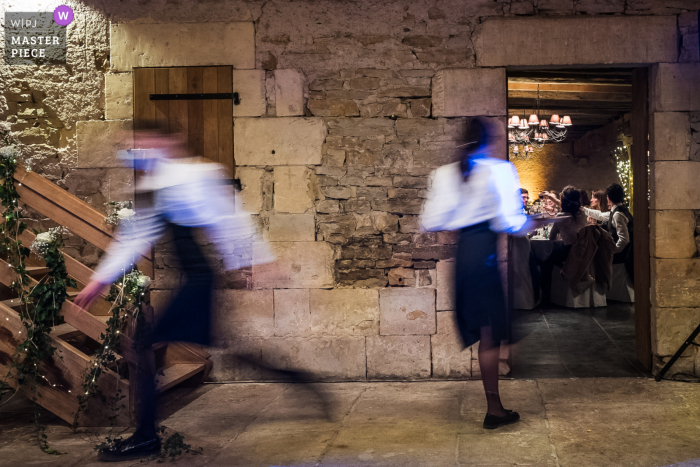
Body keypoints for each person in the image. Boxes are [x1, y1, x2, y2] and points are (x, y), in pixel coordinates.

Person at [75, 128, 272, 462]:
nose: (132, 151)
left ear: (163, 142)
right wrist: (99, 281)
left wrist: (260, 260)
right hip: (194, 280)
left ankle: (145, 437)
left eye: (137, 143)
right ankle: (294, 378)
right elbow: (136, 238)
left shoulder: (197, 175)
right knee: (221, 345)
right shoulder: (155, 185)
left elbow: (230, 220)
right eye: (129, 146)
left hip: (199, 280)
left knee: (145, 344)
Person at [420, 117, 557, 430]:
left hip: (464, 258)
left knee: (489, 333)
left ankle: (494, 405)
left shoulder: (445, 174)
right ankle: (494, 409)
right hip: (485, 257)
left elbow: (431, 220)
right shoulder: (499, 171)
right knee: (492, 336)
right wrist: (540, 223)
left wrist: (462, 216)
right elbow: (511, 223)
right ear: (488, 141)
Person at [540, 187, 587, 303]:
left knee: (544, 261)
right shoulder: (582, 213)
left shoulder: (561, 217)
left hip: (569, 255)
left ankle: (545, 294)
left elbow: (551, 237)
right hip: (584, 252)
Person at [583, 183, 634, 279]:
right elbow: (600, 215)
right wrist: (582, 209)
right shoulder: (619, 210)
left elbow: (624, 239)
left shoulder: (618, 214)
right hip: (625, 253)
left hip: (624, 255)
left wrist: (612, 251)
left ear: (608, 198)